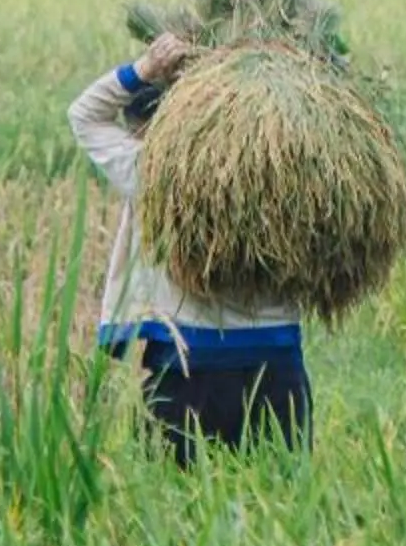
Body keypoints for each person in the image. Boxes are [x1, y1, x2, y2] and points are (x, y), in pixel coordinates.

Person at [68, 31, 311, 465]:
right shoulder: (289, 169)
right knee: (280, 497)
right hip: (277, 364)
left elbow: (84, 114)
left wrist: (143, 69)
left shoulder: (154, 172)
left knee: (179, 506)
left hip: (187, 365)